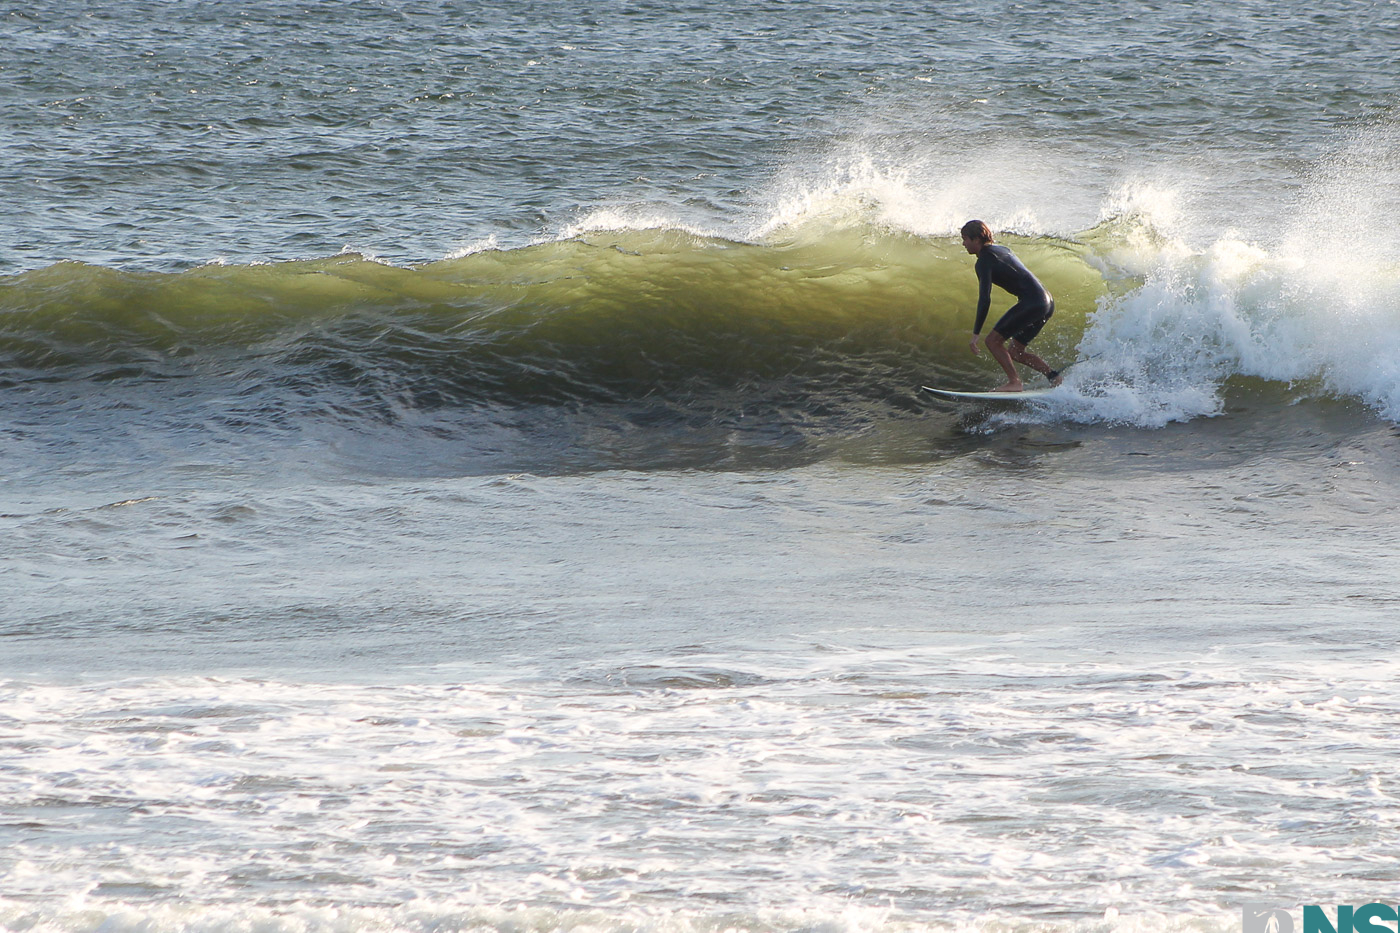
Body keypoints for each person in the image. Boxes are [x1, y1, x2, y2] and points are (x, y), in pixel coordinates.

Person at [960, 219, 1062, 392]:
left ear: (976, 239)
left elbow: (985, 298)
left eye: (965, 239)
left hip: (1033, 302)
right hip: (1046, 301)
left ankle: (1014, 382)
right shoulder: (1002, 249)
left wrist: (976, 334)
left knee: (992, 341)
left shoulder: (983, 261)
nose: (963, 244)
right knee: (1015, 351)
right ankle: (1054, 376)